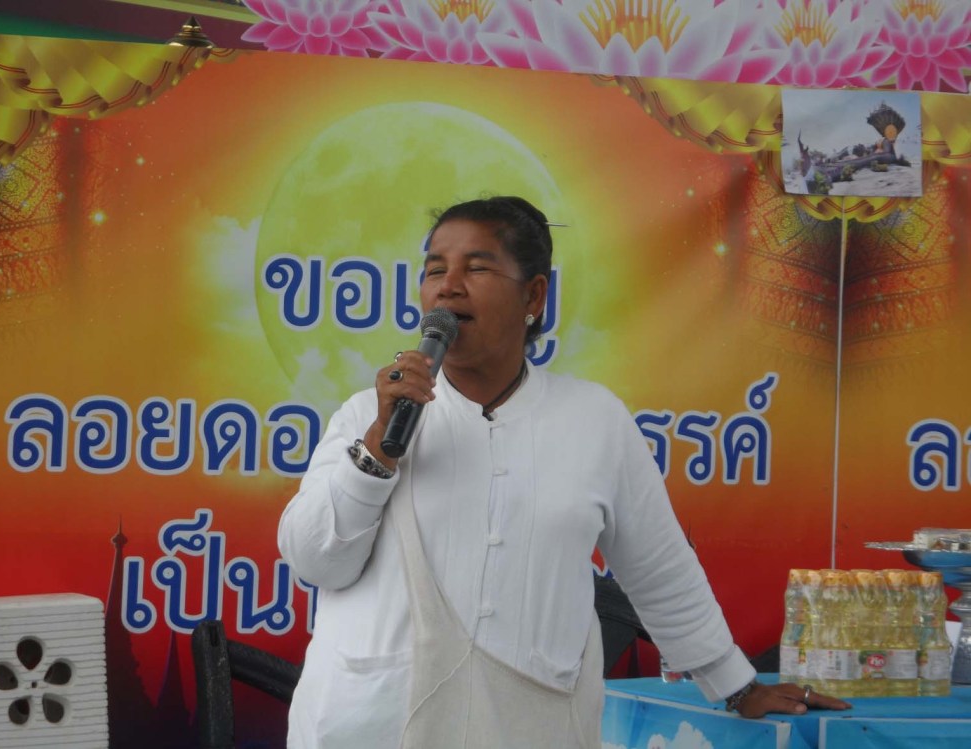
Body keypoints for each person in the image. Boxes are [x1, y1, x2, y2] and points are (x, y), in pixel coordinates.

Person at [277, 196, 850, 748]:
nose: (447, 286)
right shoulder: (367, 414)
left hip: (530, 724)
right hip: (374, 723)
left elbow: (659, 568)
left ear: (534, 295)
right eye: (434, 270)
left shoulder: (593, 419)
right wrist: (377, 450)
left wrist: (738, 686)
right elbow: (314, 560)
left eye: (476, 267)